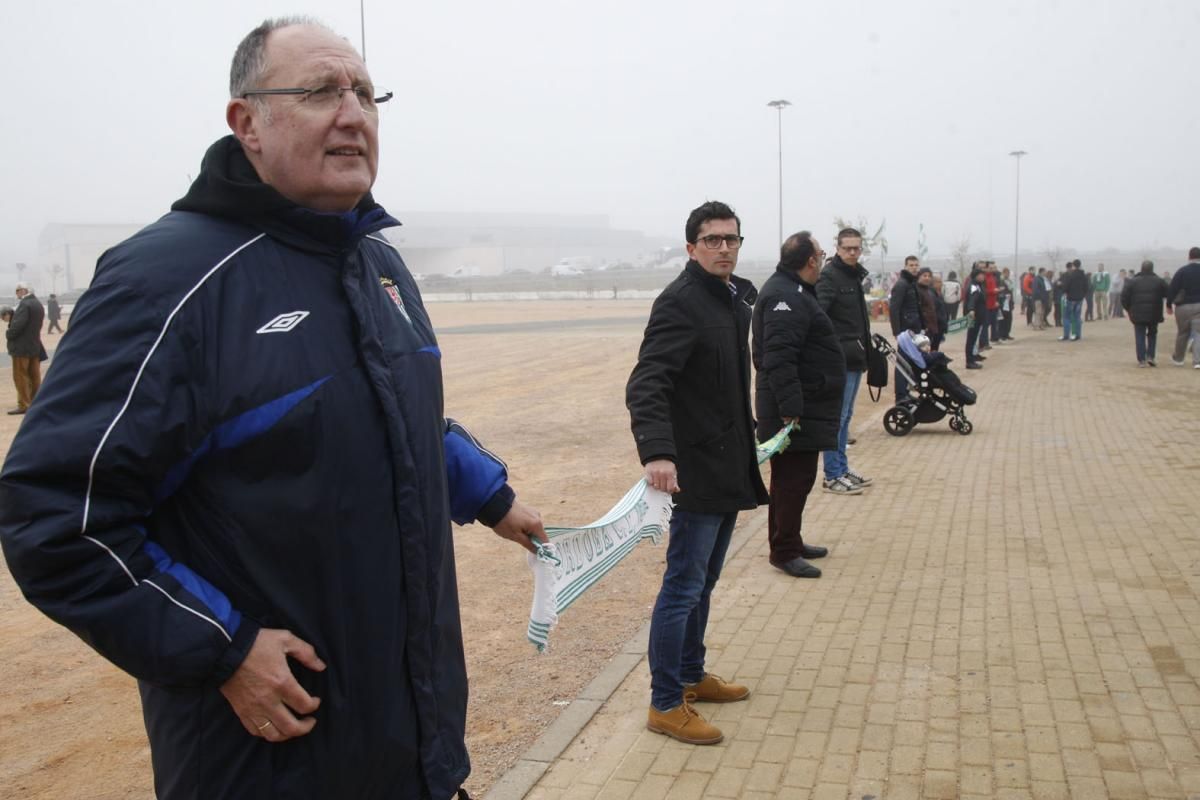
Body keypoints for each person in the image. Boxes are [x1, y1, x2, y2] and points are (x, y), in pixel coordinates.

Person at [0, 18, 549, 800]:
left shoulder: (380, 265)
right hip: (266, 764)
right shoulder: (164, 281)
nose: (353, 113)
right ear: (246, 122)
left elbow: (387, 418)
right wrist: (221, 647)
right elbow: (54, 515)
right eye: (322, 91)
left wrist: (489, 495)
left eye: (365, 93)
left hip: (413, 746)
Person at [627, 200, 765, 746]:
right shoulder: (680, 303)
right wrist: (658, 452)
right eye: (712, 240)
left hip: (728, 462)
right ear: (691, 247)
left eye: (732, 239)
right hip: (695, 470)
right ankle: (665, 702)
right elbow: (648, 383)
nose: (724, 248)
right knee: (683, 585)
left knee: (704, 581)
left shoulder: (732, 302)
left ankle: (691, 673)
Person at [752, 231, 841, 580]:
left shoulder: (796, 291)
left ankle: (790, 539)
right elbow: (778, 358)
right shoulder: (782, 296)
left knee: (796, 480)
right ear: (810, 260)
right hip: (791, 410)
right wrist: (790, 408)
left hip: (803, 404)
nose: (822, 258)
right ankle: (784, 550)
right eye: (821, 253)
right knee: (791, 481)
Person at [816, 228, 874, 495]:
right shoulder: (829, 277)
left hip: (855, 356)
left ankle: (841, 466)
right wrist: (836, 347)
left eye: (856, 248)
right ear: (838, 248)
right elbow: (819, 317)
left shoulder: (853, 276)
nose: (852, 252)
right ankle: (832, 473)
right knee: (836, 418)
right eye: (847, 248)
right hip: (840, 358)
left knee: (847, 415)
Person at [6, 282, 46, 415]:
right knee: (35, 375)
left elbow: (18, 326)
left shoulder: (24, 305)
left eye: (18, 291)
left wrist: (9, 333)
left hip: (21, 347)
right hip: (34, 345)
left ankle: (24, 404)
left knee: (20, 376)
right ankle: (35, 401)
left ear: (23, 291)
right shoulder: (38, 304)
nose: (17, 294)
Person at [1122, 260, 1170, 366]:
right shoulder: (1159, 281)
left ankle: (1141, 360)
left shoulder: (1133, 282)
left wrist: (1129, 309)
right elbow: (1168, 293)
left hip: (1137, 314)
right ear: (1152, 268)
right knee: (1152, 335)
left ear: (1141, 268)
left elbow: (1124, 297)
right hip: (1154, 313)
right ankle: (1151, 356)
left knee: (1140, 335)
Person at [889, 255, 923, 402]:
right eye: (911, 265)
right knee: (902, 363)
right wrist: (897, 331)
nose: (914, 268)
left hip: (914, 329)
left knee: (910, 362)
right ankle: (900, 395)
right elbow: (894, 309)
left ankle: (905, 392)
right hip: (905, 331)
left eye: (916, 265)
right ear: (905, 266)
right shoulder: (902, 284)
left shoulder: (912, 283)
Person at [1168, 247, 1200, 368]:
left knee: (1182, 333)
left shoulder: (1182, 271)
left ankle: (1179, 359)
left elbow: (1173, 288)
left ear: (1189, 257)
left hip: (1183, 307)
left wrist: (1168, 304)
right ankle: (1197, 361)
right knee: (1198, 333)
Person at [963, 268, 988, 369]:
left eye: (983, 275)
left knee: (973, 339)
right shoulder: (973, 286)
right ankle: (969, 361)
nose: (983, 277)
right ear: (975, 276)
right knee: (971, 339)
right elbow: (972, 300)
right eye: (980, 275)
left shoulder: (979, 285)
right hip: (973, 317)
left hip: (979, 316)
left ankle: (972, 358)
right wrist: (971, 309)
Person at [1062, 259, 1090, 341]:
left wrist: (1064, 290)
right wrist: (1082, 295)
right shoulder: (1083, 276)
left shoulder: (1071, 275)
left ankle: (1066, 335)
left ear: (1073, 266)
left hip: (1070, 299)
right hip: (1079, 299)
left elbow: (1066, 287)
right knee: (1077, 317)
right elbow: (1086, 287)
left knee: (1066, 317)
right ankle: (1078, 335)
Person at [929, 273, 950, 350]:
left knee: (936, 346)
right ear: (934, 283)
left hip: (940, 325)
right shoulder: (931, 294)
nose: (942, 284)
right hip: (936, 325)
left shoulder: (939, 293)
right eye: (939, 282)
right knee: (933, 346)